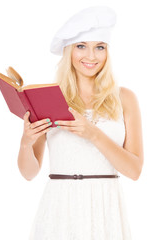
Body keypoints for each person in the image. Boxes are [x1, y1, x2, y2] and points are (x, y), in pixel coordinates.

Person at [17, 6, 144, 239]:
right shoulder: (48, 97)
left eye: (100, 47)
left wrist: (93, 134)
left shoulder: (124, 98)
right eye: (81, 46)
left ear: (108, 51)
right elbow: (28, 173)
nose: (91, 56)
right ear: (69, 51)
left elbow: (134, 171)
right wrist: (26, 141)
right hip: (59, 208)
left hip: (106, 208)